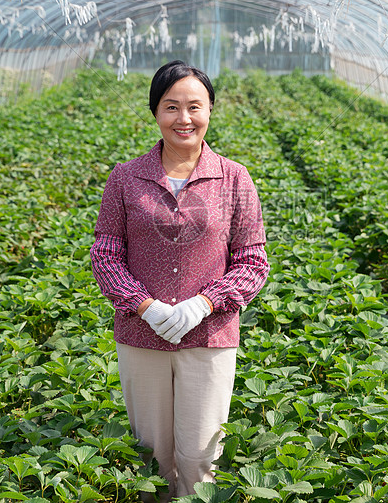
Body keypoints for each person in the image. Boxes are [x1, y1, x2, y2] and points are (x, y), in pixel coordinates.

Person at [90, 60, 270, 500]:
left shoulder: (233, 178)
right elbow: (106, 254)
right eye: (171, 107)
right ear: (155, 112)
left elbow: (252, 261)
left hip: (209, 336)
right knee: (150, 456)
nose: (183, 118)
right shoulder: (126, 178)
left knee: (199, 457)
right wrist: (143, 306)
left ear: (211, 110)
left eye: (195, 106)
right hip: (140, 335)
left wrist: (204, 303)